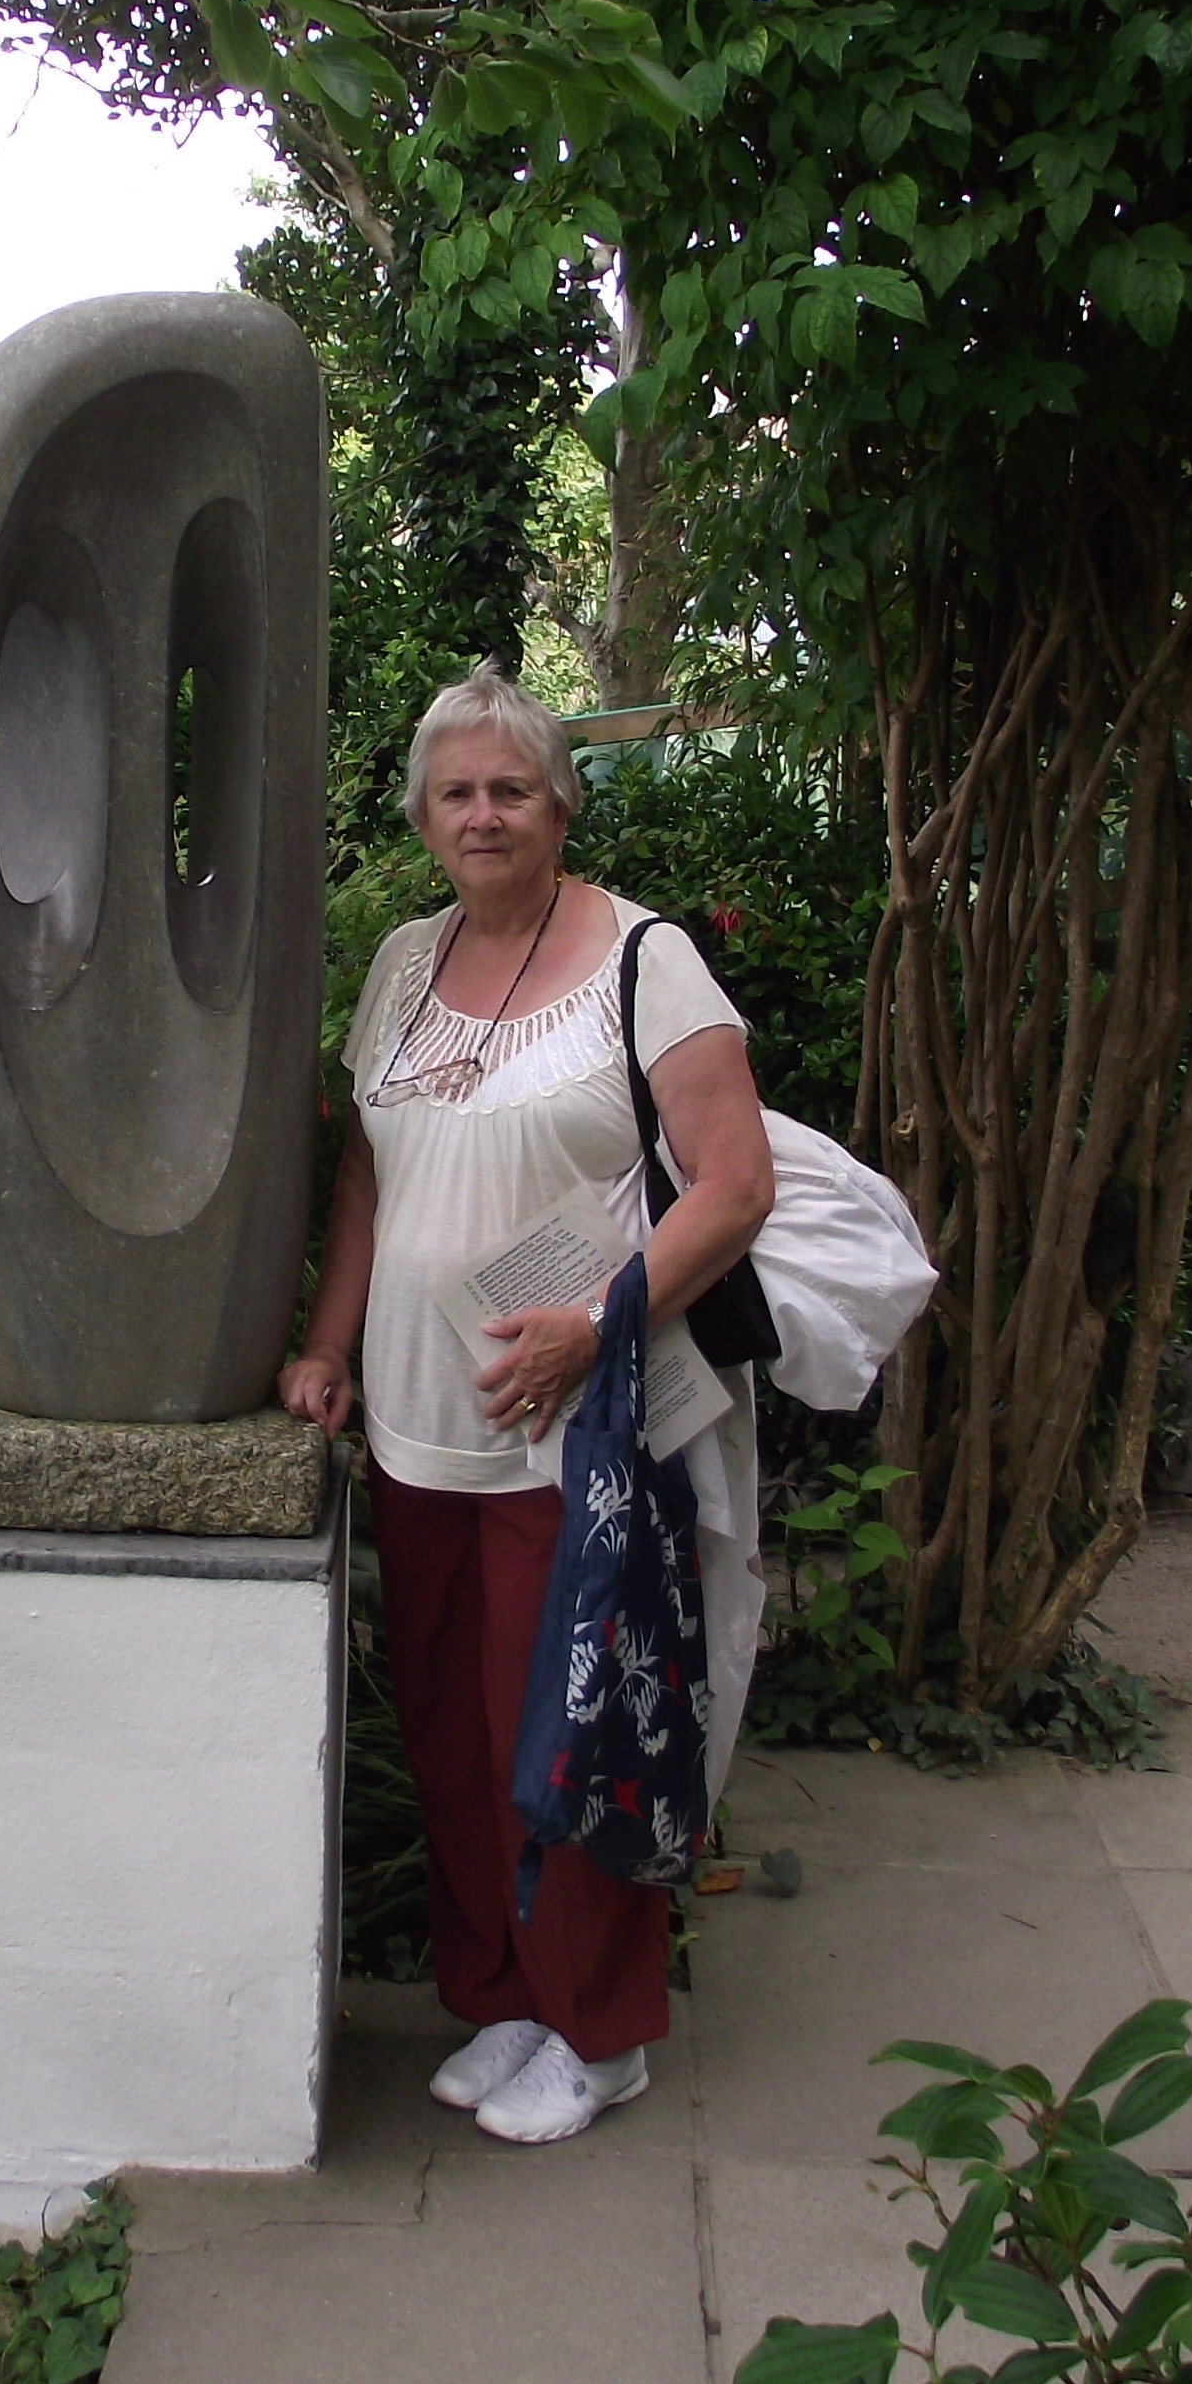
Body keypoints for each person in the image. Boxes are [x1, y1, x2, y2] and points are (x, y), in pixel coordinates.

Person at [279, 663, 774, 2146]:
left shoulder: (645, 959)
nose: (483, 813)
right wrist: (324, 1345)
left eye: (510, 787)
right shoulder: (400, 960)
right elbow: (368, 1171)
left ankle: (599, 2028)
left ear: (559, 803)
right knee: (448, 1723)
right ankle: (500, 1990)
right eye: (456, 792)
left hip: (583, 1427)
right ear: (424, 817)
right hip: (419, 1421)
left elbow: (734, 1184)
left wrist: (593, 1321)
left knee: (571, 1726)